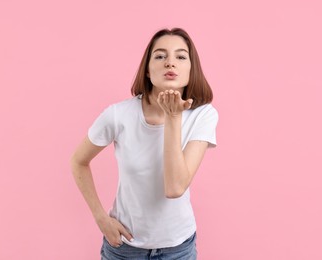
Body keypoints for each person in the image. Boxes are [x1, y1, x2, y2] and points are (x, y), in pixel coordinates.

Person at [71, 27, 218, 260]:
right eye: (160, 56)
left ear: (191, 70)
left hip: (178, 249)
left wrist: (173, 118)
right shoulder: (118, 115)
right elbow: (78, 161)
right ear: (148, 70)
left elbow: (175, 188)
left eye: (180, 57)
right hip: (124, 247)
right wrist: (101, 217)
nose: (170, 63)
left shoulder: (203, 115)